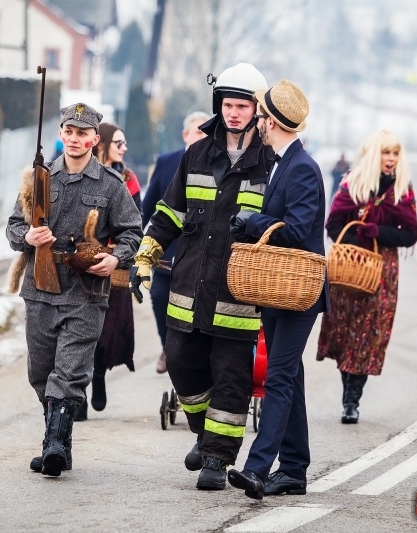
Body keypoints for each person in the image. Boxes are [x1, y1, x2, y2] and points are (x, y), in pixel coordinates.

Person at [130, 62, 273, 490]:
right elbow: (169, 213)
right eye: (228, 105)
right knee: (181, 363)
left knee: (232, 378)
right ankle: (204, 431)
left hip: (237, 294)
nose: (233, 113)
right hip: (189, 286)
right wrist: (146, 255)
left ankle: (216, 458)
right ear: (220, 106)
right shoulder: (196, 154)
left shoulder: (270, 163)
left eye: (241, 106)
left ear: (256, 110)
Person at [5, 103, 142, 477]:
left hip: (86, 291)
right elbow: (14, 227)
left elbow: (133, 231)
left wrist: (117, 260)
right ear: (61, 134)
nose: (75, 139)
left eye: (83, 133)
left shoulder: (111, 186)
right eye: (69, 131)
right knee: (41, 373)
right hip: (41, 289)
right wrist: (28, 236)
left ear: (95, 139)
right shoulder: (39, 179)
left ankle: (52, 446)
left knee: (69, 372)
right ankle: (60, 443)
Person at [225, 79, 329, 500]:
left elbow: (300, 230)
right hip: (280, 288)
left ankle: (257, 467)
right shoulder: (282, 162)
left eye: (262, 116)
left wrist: (250, 223)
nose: (259, 123)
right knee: (293, 378)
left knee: (280, 377)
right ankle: (294, 470)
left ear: (274, 122)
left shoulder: (302, 167)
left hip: (298, 290)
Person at [316, 129, 417, 424]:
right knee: (346, 331)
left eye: (396, 153)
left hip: (382, 269)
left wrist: (379, 233)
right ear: (375, 155)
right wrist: (355, 242)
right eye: (386, 153)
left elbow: (410, 234)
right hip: (349, 265)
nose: (391, 159)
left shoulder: (402, 189)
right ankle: (347, 387)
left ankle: (351, 401)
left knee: (369, 333)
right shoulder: (352, 184)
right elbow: (333, 225)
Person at [141, 111, 209, 373]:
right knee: (159, 298)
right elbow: (149, 208)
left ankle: (186, 355)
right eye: (197, 131)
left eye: (206, 131)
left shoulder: (218, 164)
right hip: (166, 252)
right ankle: (168, 348)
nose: (202, 136)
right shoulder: (167, 162)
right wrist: (135, 240)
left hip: (197, 255)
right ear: (185, 135)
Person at [87, 122, 142, 413]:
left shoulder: (129, 179)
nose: (124, 148)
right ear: (103, 144)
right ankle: (76, 392)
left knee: (108, 328)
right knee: (81, 326)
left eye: (124, 143)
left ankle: (98, 375)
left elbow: (136, 223)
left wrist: (121, 254)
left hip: (115, 263)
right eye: (118, 143)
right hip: (83, 260)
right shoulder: (85, 175)